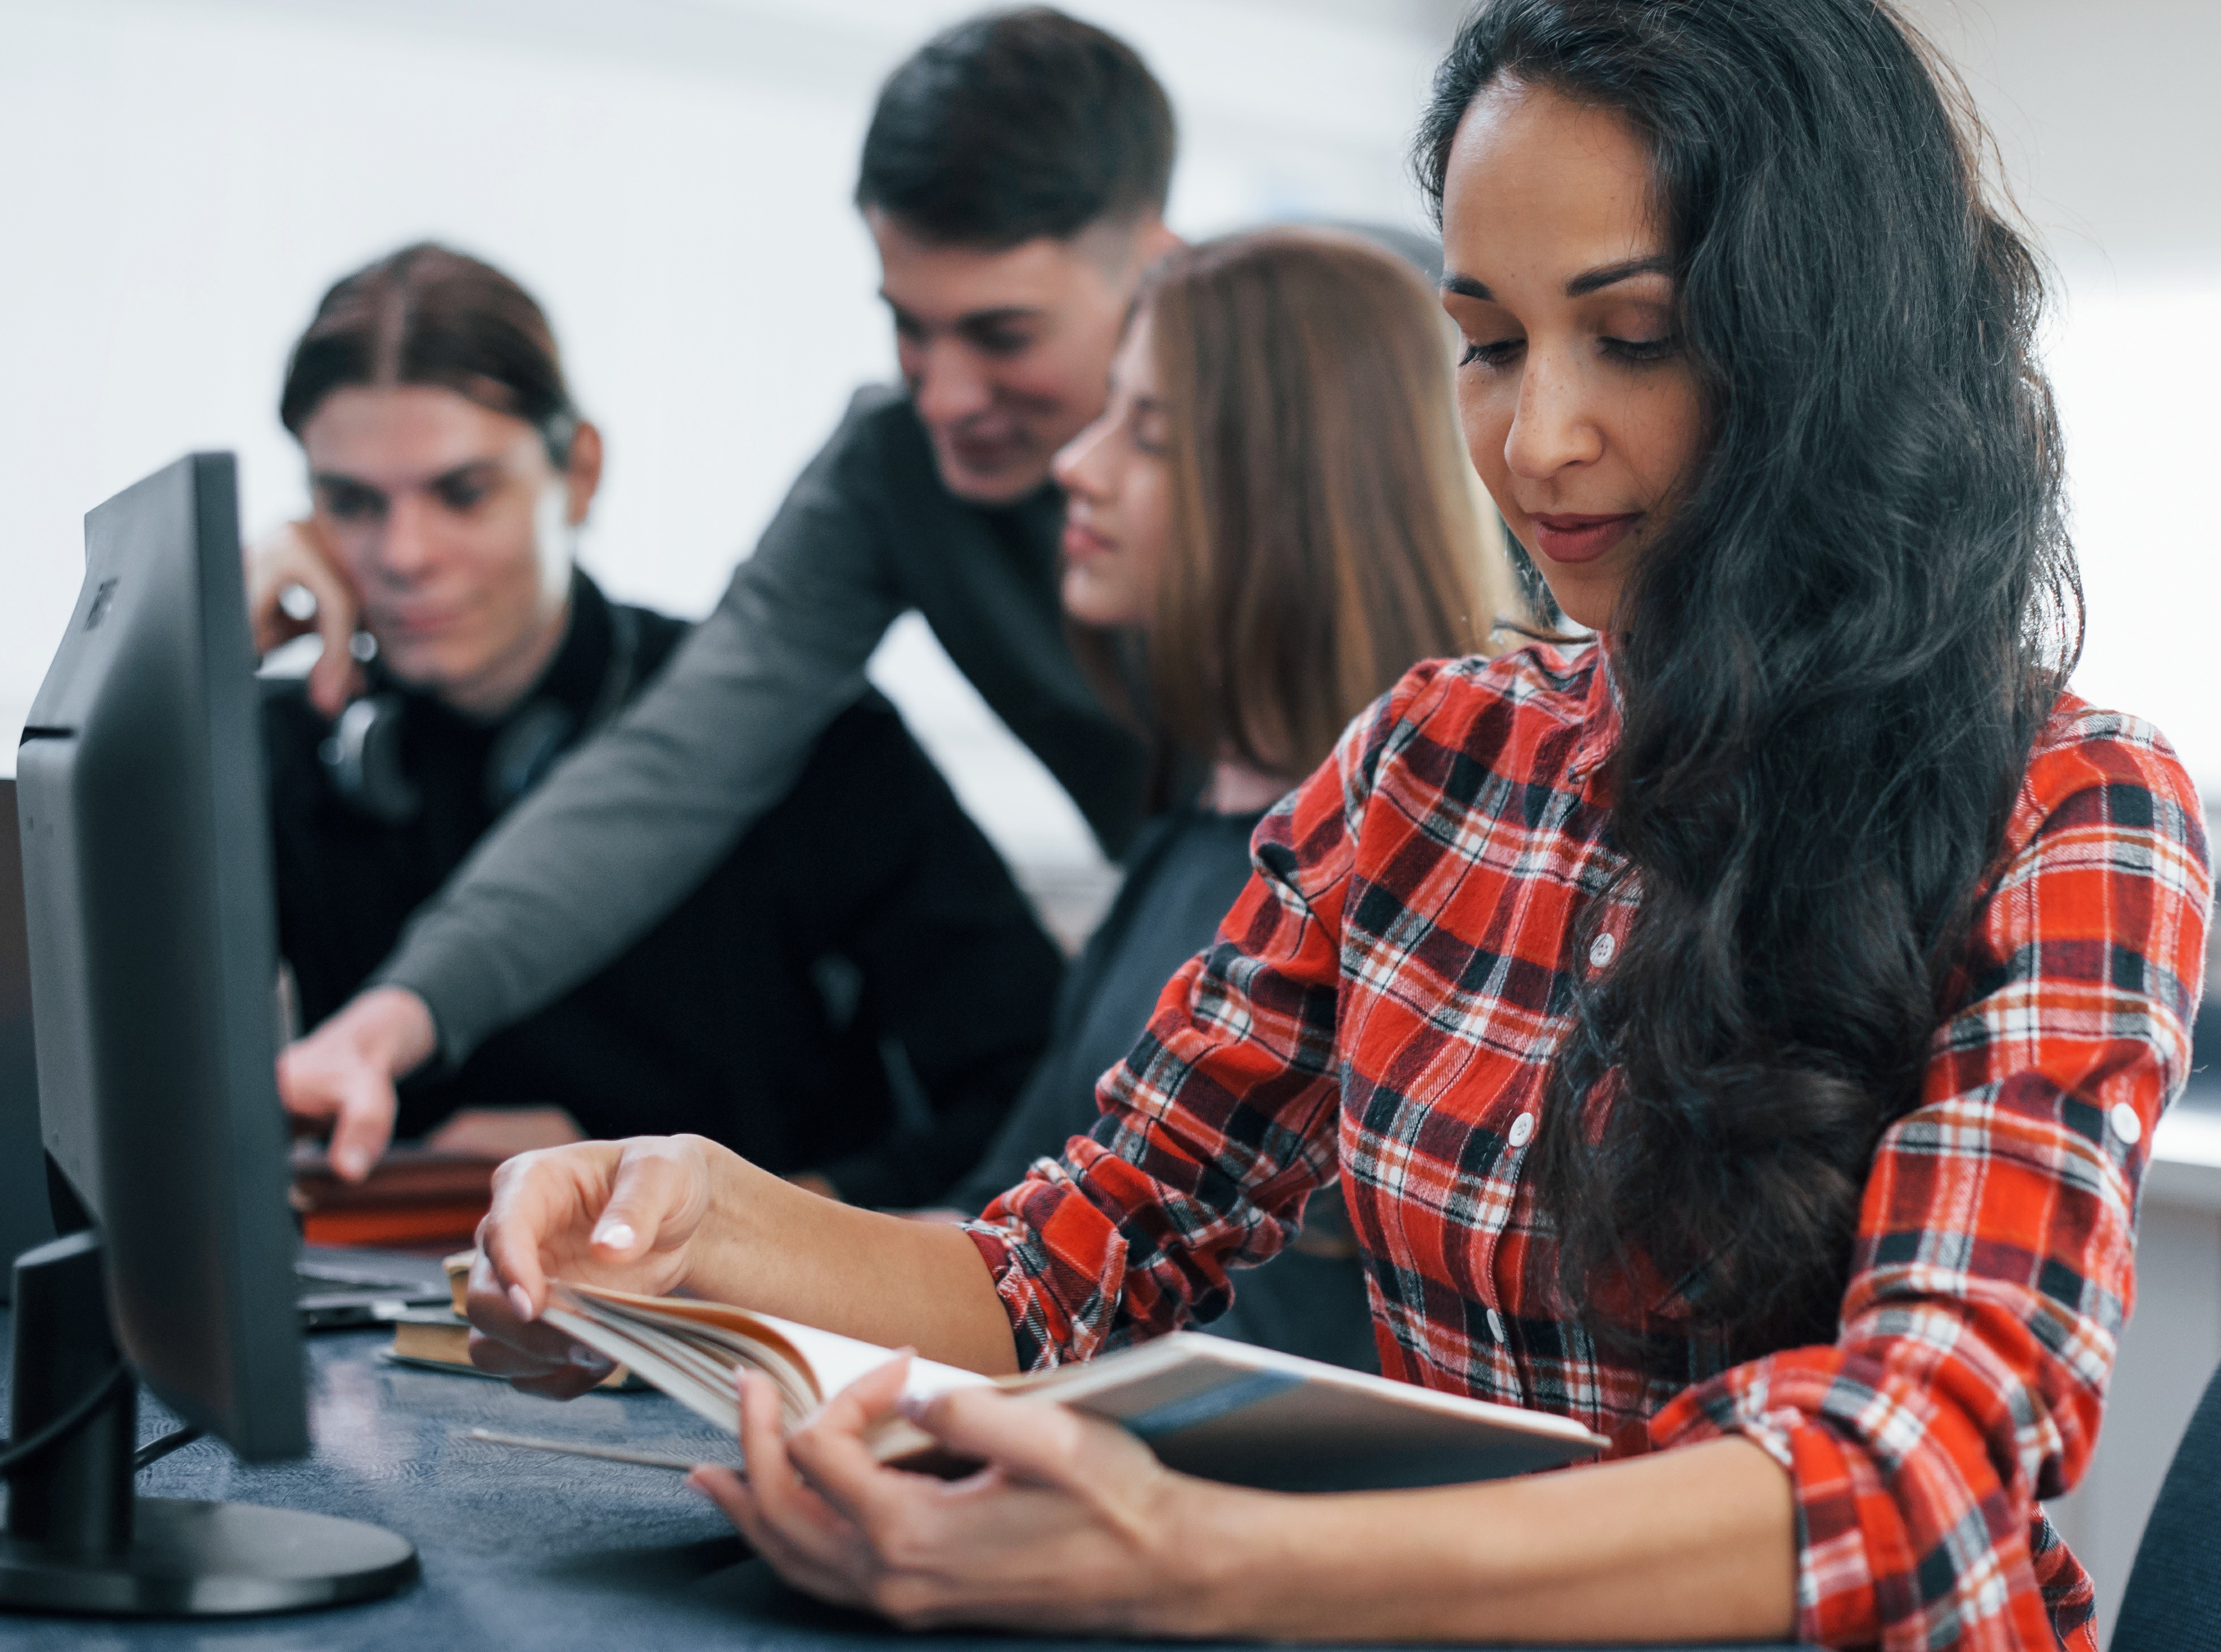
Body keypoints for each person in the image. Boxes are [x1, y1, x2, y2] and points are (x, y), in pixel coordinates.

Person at [466, 0, 2210, 1645]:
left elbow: (1922, 1465)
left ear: (1832, 342)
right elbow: (1071, 1259)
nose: (1538, 439)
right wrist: (686, 1230)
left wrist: (1213, 1562)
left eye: (1638, 338)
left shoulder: (2074, 813)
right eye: (1486, 343)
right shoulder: (1427, 764)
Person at [253, 9, 1180, 1167]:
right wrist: (396, 1023)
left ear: (1158, 264)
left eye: (1001, 334)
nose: (943, 396)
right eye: (907, 326)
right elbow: (682, 758)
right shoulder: (889, 469)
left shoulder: (1333, 417)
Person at [262, 243, 1063, 1207]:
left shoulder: (792, 727)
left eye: (463, 492)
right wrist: (216, 639)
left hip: (760, 1331)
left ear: (581, 472)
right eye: (349, 503)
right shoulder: (287, 747)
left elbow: (1036, 1094)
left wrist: (718, 1227)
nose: (404, 555)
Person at [938, 227, 1512, 1372]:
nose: (1076, 467)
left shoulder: (1415, 882)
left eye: (1146, 434)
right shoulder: (1191, 835)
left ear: (1288, 488)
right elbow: (1008, 1237)